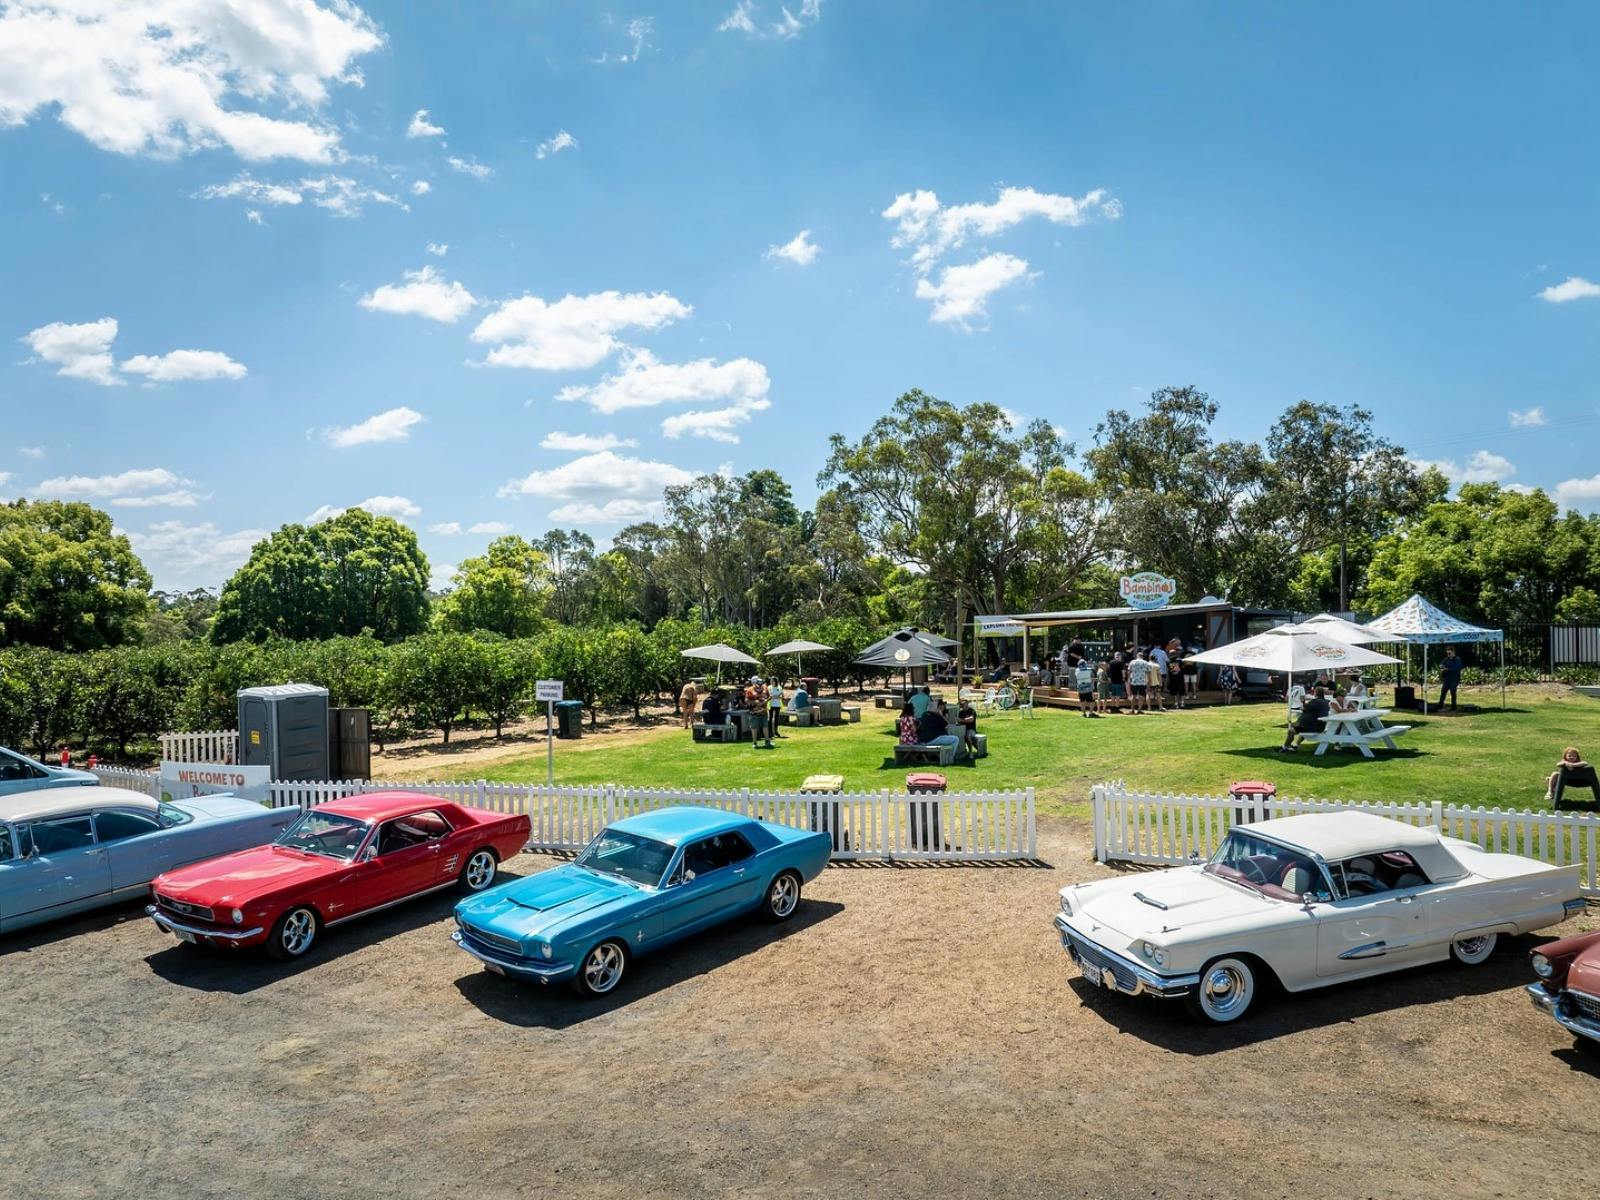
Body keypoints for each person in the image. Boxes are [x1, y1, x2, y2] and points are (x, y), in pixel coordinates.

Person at [1281, 685, 1331, 752]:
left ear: (1315, 693)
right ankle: (1295, 745)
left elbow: (1304, 708)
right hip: (1319, 726)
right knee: (1302, 729)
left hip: (1312, 727)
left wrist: (1303, 703)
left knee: (1291, 731)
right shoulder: (1325, 702)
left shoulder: (1315, 701)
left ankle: (1285, 747)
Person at [745, 678, 772, 749]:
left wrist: (765, 701)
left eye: (761, 685)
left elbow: (769, 697)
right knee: (754, 728)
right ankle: (754, 743)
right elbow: (747, 701)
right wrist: (755, 702)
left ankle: (767, 741)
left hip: (764, 712)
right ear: (755, 684)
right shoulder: (750, 690)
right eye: (758, 685)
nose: (759, 687)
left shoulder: (765, 688)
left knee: (765, 727)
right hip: (753, 712)